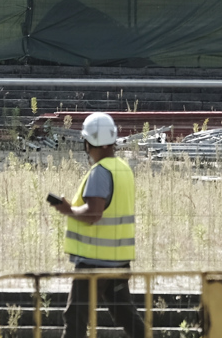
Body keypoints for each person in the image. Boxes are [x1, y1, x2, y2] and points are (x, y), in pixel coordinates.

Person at [46, 112, 145, 338]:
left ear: (87, 142)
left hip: (94, 262)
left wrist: (68, 209)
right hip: (118, 260)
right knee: (124, 313)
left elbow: (94, 213)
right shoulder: (123, 169)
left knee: (75, 316)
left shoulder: (100, 172)